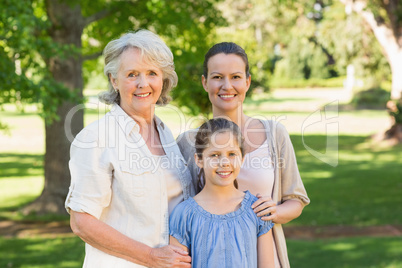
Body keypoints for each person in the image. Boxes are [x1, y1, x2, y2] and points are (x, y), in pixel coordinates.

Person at [65, 29, 194, 268]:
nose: (143, 84)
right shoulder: (97, 138)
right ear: (114, 80)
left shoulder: (165, 135)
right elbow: (81, 221)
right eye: (132, 74)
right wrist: (151, 257)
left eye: (152, 73)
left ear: (163, 80)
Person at [177, 42, 310, 268]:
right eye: (217, 77)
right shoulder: (188, 144)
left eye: (236, 77)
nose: (227, 86)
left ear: (247, 82)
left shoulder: (274, 135)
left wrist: (272, 212)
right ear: (205, 82)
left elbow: (296, 200)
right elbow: (179, 208)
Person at [170, 118, 275, 268]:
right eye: (215, 155)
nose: (224, 162)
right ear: (199, 159)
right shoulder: (184, 214)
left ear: (242, 158)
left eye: (232, 154)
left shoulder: (257, 210)